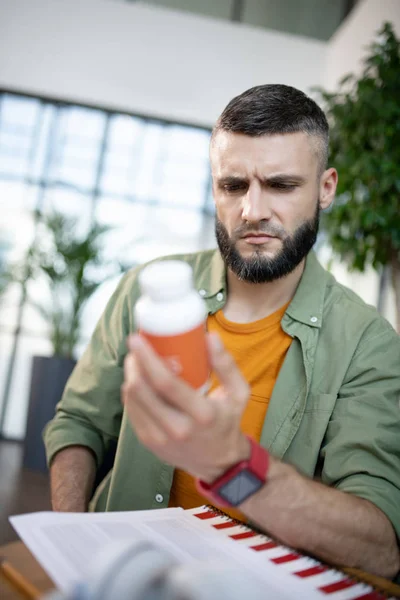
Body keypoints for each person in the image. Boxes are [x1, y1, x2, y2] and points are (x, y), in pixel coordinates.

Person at [44, 84, 400, 579]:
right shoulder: (143, 295)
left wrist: (233, 467)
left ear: (326, 187)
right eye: (233, 186)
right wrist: (71, 537)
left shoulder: (369, 344)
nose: (252, 210)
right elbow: (78, 424)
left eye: (280, 185)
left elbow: (381, 547)